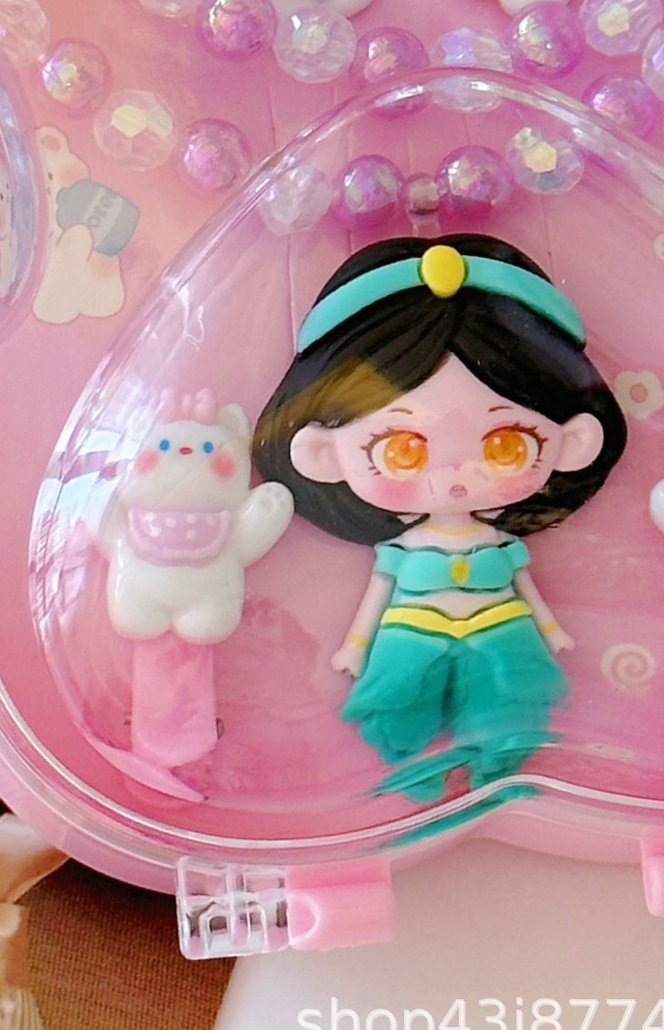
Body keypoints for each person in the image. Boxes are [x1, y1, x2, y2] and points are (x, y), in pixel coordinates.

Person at [253, 234, 626, 799]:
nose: (455, 474)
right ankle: (412, 768)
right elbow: (378, 594)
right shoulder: (403, 550)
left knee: (509, 697)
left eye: (507, 446)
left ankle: (500, 764)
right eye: (400, 450)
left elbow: (525, 586)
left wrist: (550, 629)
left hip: (502, 626)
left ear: (573, 442)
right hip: (411, 630)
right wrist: (356, 646)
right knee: (402, 698)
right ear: (322, 453)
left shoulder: (500, 543)